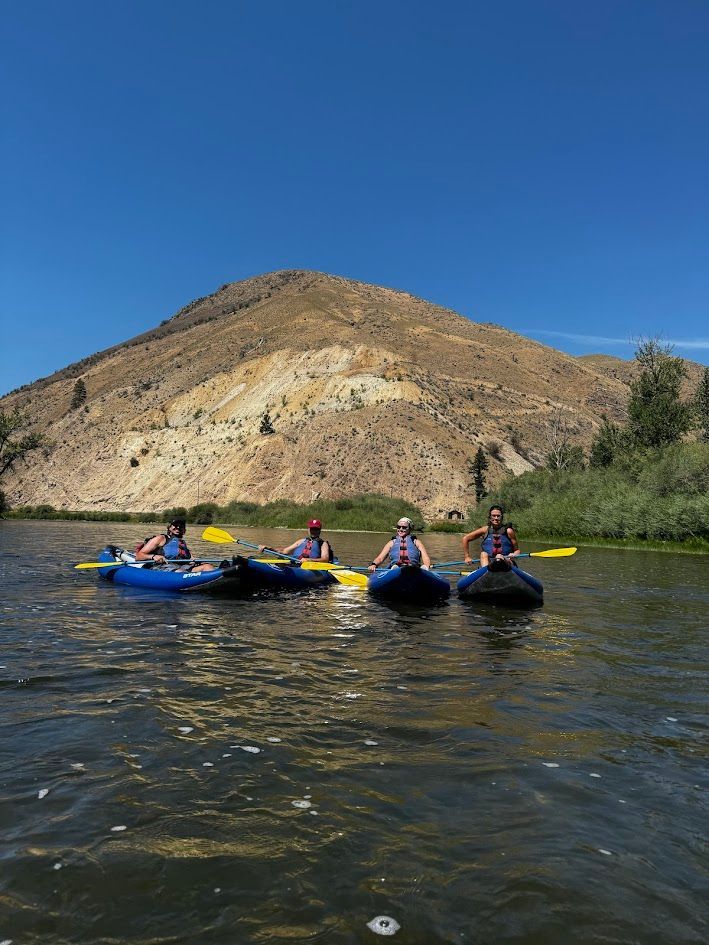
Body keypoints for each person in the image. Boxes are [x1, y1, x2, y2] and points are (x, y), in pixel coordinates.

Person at [135, 518, 217, 572]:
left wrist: (198, 561)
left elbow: (191, 559)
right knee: (181, 572)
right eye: (175, 525)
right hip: (163, 567)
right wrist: (153, 556)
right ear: (169, 528)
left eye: (180, 526)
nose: (178, 527)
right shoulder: (161, 538)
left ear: (184, 531)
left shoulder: (182, 543)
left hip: (182, 567)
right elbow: (138, 556)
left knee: (208, 566)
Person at [368, 517, 432, 572]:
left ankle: (422, 571)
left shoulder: (416, 542)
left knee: (421, 568)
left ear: (410, 529)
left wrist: (427, 566)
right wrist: (374, 564)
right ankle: (395, 571)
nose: (400, 529)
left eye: (404, 527)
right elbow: (380, 558)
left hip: (413, 568)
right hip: (395, 568)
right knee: (395, 568)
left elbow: (425, 557)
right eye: (398, 527)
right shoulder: (391, 543)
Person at [258, 519, 334, 563]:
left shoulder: (323, 544)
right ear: (308, 530)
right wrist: (269, 548)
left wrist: (309, 560)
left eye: (316, 529)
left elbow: (325, 559)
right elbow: (284, 551)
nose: (314, 531)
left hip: (310, 567)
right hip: (295, 563)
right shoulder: (301, 541)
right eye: (312, 529)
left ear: (320, 530)